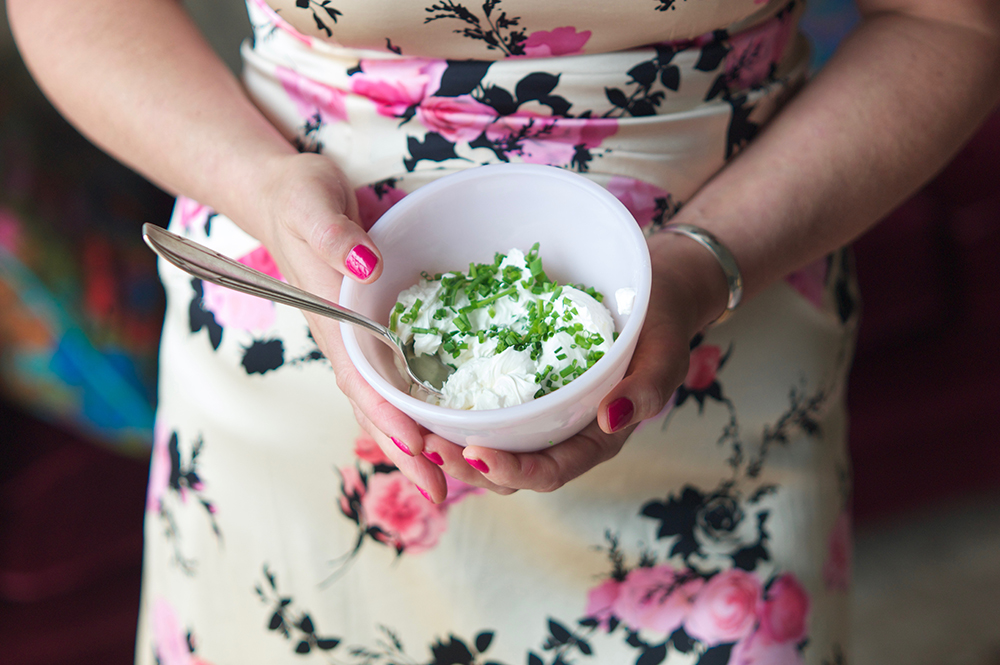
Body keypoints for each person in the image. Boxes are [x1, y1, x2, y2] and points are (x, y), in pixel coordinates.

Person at [7, 0, 999, 661]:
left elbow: (948, 23)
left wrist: (703, 264)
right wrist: (264, 190)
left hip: (724, 338)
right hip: (298, 340)